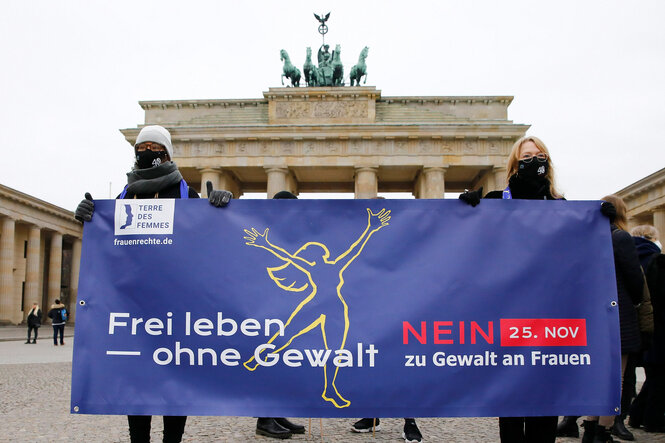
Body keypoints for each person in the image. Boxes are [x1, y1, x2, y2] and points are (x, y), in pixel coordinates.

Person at [75, 124, 232, 443]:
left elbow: (210, 241)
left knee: (175, 379)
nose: (147, 152)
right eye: (141, 146)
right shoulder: (124, 195)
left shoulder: (188, 194)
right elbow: (109, 245)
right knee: (138, 378)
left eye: (154, 147)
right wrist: (89, 218)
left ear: (167, 153)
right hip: (135, 305)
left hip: (177, 305)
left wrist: (222, 207)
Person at [459, 135, 570, 443]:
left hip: (548, 314)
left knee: (546, 396)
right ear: (514, 163)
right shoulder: (495, 200)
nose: (532, 161)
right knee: (510, 397)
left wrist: (603, 224)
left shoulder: (561, 206)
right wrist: (464, 209)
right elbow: (465, 242)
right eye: (526, 157)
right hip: (507, 312)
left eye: (538, 155)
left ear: (547, 160)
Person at [579, 195, 644, 443]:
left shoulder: (588, 239)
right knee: (616, 375)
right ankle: (604, 431)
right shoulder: (620, 237)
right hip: (618, 311)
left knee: (595, 374)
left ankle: (589, 426)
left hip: (591, 312)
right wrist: (637, 301)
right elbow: (634, 278)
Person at [253, 190, 306, 440]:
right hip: (264, 308)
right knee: (269, 360)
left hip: (284, 304)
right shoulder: (266, 231)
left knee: (284, 361)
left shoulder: (291, 235)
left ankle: (276, 412)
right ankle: (264, 418)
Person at [628, 225, 665, 433]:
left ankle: (636, 413)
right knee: (659, 375)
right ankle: (653, 419)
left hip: (634, 325)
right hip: (657, 325)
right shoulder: (657, 260)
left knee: (653, 374)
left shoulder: (628, 255)